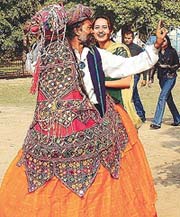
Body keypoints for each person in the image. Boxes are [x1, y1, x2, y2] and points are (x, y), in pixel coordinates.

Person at [0, 3, 167, 217]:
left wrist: (154, 48)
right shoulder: (55, 55)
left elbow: (127, 66)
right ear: (77, 30)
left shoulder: (94, 55)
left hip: (93, 120)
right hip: (59, 128)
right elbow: (33, 68)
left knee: (102, 178)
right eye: (89, 26)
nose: (92, 31)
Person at [93, 15, 142, 129]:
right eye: (97, 27)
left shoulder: (120, 50)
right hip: (99, 106)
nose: (100, 31)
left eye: (104, 27)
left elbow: (126, 82)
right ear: (92, 31)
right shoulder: (92, 52)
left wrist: (100, 84)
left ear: (111, 31)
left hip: (117, 104)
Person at [150, 35, 180, 129]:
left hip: (170, 77)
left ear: (168, 41)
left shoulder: (172, 51)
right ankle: (177, 119)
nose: (162, 42)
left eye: (164, 41)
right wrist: (151, 78)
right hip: (161, 78)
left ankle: (157, 122)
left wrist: (167, 67)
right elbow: (154, 66)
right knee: (168, 99)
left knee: (162, 97)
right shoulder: (157, 52)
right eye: (161, 41)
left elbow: (177, 65)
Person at [123, 29, 147, 122]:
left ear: (132, 38)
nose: (127, 40)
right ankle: (141, 114)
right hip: (125, 75)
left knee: (129, 94)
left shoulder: (137, 49)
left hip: (135, 74)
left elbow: (144, 63)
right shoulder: (121, 48)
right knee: (134, 95)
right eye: (125, 38)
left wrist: (144, 78)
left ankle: (131, 115)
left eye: (129, 38)